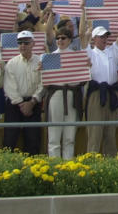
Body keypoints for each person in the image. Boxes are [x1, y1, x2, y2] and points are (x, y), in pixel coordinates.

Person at [85, 18, 118, 156]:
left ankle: (110, 164)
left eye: (106, 36)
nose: (104, 39)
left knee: (110, 133)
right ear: (94, 39)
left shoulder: (112, 51)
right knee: (95, 133)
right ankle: (92, 162)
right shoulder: (90, 53)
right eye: (101, 36)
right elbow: (82, 37)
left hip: (112, 94)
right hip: (97, 94)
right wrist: (87, 26)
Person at [45, 28, 85, 158]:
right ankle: (54, 165)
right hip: (56, 94)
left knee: (69, 136)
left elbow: (82, 81)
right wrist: (42, 70)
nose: (60, 40)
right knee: (54, 136)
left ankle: (68, 166)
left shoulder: (76, 56)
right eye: (58, 38)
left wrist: (86, 67)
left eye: (63, 38)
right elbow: (46, 83)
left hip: (72, 95)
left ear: (70, 40)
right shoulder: (51, 57)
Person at [2, 29, 43, 154]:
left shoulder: (41, 61)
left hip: (34, 103)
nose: (22, 45)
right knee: (10, 139)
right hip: (15, 105)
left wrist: (32, 102)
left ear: (33, 44)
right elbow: (9, 87)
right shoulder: (11, 63)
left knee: (33, 139)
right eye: (20, 43)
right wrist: (22, 104)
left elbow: (44, 84)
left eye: (26, 42)